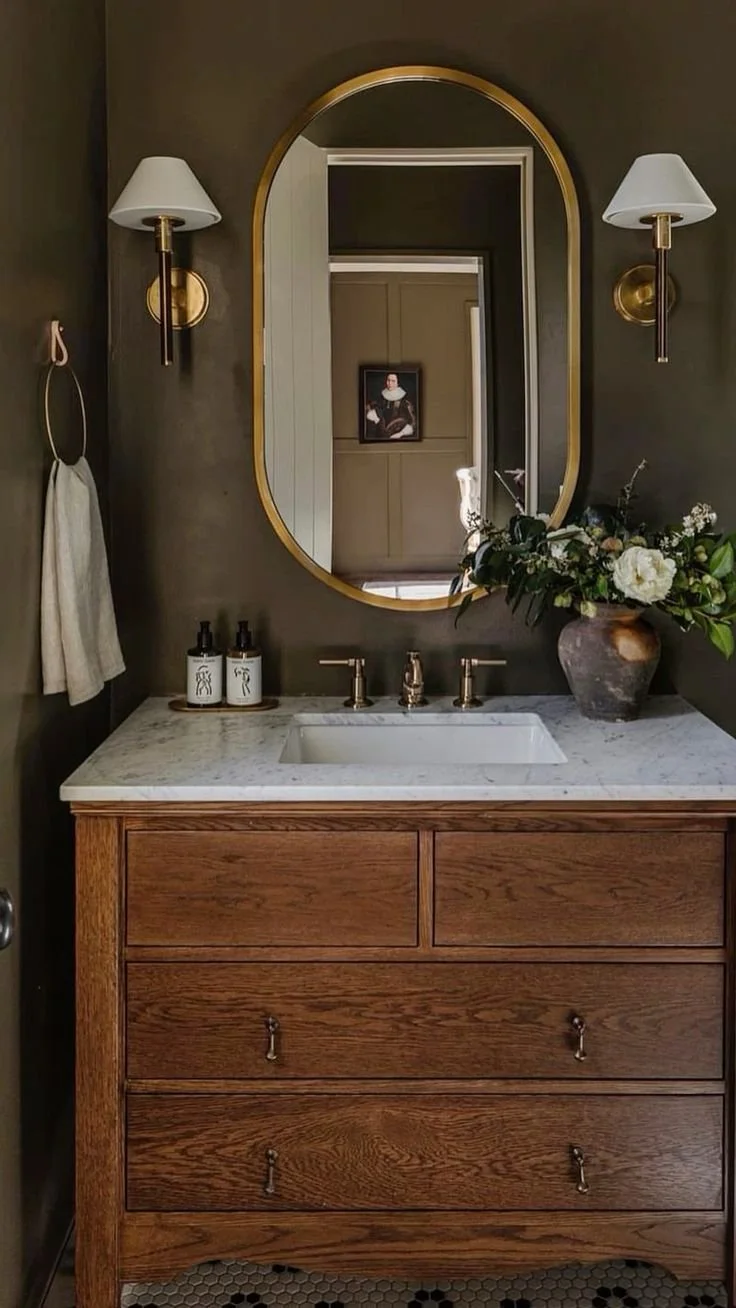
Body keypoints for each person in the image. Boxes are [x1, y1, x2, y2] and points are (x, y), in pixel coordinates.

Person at [365, 371, 416, 441]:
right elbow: (375, 408)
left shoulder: (405, 401)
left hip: (397, 435)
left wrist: (401, 433)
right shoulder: (382, 396)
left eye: (393, 381)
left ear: (398, 383)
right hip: (381, 434)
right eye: (388, 380)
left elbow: (412, 422)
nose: (390, 383)